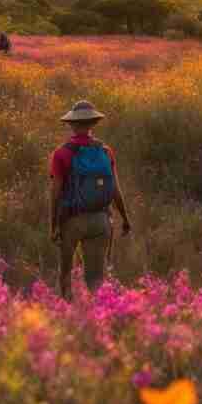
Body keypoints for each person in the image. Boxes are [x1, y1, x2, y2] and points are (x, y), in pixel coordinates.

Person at [49, 101, 132, 300]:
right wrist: (125, 218)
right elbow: (114, 189)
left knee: (66, 274)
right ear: (92, 123)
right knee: (96, 280)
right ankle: (101, 322)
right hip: (101, 221)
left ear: (71, 124)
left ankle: (67, 318)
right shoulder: (105, 151)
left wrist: (54, 225)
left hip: (72, 221)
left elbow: (55, 192)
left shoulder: (61, 154)